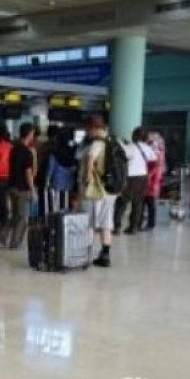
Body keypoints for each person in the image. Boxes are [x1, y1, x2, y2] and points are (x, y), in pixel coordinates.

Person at [80, 115, 117, 268]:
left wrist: (87, 178)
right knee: (106, 222)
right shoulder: (114, 141)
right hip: (111, 189)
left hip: (96, 189)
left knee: (88, 222)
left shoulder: (96, 143)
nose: (87, 132)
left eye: (87, 129)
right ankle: (105, 255)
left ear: (94, 128)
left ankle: (85, 255)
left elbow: (90, 158)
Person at [0, 123, 36, 249]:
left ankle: (3, 235)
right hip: (22, 188)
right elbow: (28, 173)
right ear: (30, 134)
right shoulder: (27, 152)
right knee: (23, 218)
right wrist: (32, 189)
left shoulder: (13, 149)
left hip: (11, 186)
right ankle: (15, 243)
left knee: (15, 215)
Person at [114, 127, 156, 235]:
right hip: (143, 177)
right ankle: (134, 227)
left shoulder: (131, 147)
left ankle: (117, 226)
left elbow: (124, 153)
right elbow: (154, 159)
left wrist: (119, 141)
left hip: (131, 178)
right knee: (138, 203)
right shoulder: (147, 148)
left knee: (122, 202)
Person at [141, 131, 166, 231]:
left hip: (151, 181)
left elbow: (155, 167)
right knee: (148, 202)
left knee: (149, 203)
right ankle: (148, 223)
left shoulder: (156, 154)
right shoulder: (159, 152)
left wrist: (149, 175)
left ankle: (150, 224)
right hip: (152, 181)